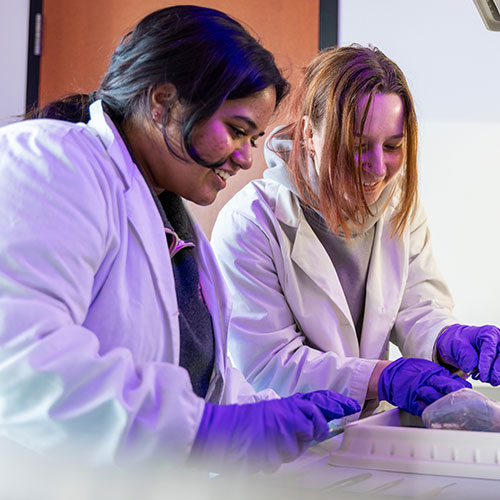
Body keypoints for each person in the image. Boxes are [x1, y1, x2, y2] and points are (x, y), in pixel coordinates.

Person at [0, 6, 365, 471]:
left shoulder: (172, 218)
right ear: (162, 101)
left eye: (252, 139)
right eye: (236, 131)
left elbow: (201, 383)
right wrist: (206, 432)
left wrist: (276, 413)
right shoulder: (51, 163)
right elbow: (22, 365)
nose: (242, 158)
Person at [211, 45, 486, 419]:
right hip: (286, 446)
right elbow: (267, 365)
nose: (377, 168)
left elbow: (418, 309)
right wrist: (382, 377)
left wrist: (448, 340)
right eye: (358, 146)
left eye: (393, 146)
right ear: (309, 133)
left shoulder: (399, 206)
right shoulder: (251, 222)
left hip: (369, 436)